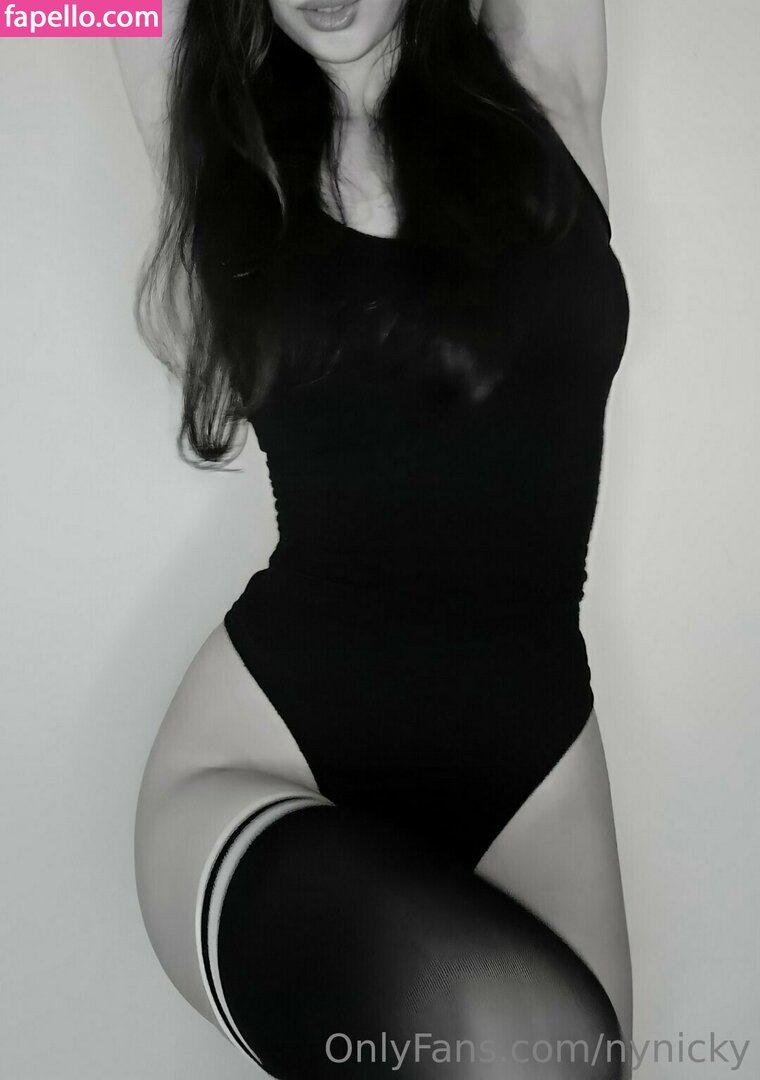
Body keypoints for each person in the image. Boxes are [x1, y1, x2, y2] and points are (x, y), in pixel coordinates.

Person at [115, 0, 632, 1076]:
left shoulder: (543, 86)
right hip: (273, 751)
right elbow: (44, 11)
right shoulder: (223, 150)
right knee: (529, 1055)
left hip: (532, 754)